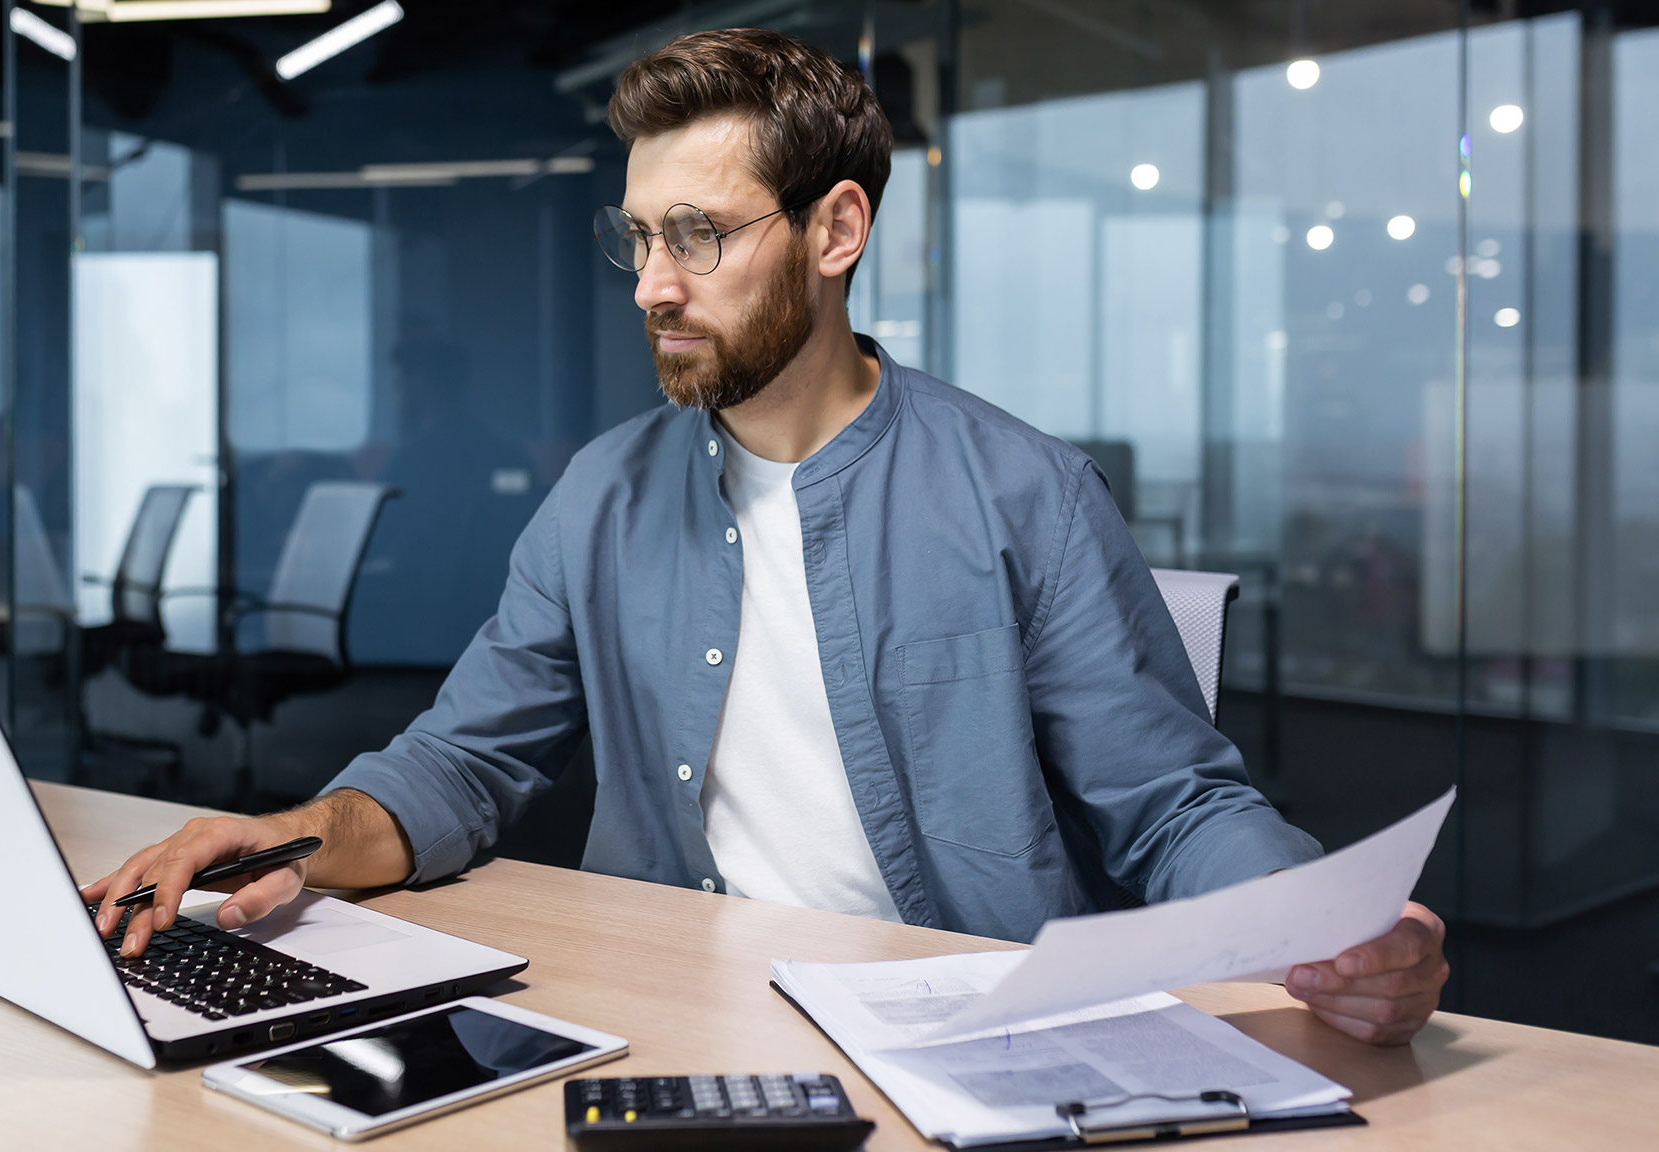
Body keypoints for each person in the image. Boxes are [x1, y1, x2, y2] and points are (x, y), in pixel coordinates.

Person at [84, 27, 1448, 1047]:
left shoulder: (1025, 492)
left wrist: (1327, 929)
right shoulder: (601, 499)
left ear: (836, 228)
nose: (654, 286)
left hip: (966, 1037)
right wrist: (294, 837)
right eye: (637, 240)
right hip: (667, 1018)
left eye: (698, 235)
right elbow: (462, 763)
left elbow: (1173, 806)